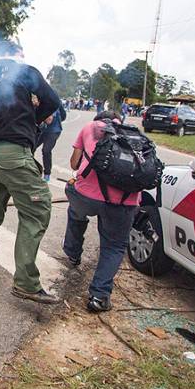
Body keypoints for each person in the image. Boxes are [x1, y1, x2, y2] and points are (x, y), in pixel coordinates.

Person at [0, 56, 62, 305]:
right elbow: (53, 102)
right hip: (14, 155)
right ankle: (26, 283)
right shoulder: (25, 72)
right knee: (37, 209)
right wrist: (35, 114)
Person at [62, 111, 140, 312]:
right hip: (125, 201)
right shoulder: (134, 134)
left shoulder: (89, 127)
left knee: (75, 209)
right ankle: (99, 296)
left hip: (87, 196)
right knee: (114, 246)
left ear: (98, 119)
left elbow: (74, 164)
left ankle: (72, 253)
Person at [35, 100, 66, 182]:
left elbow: (49, 120)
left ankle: (47, 174)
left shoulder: (50, 101)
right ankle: (32, 169)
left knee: (46, 150)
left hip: (53, 131)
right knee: (30, 147)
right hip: (42, 130)